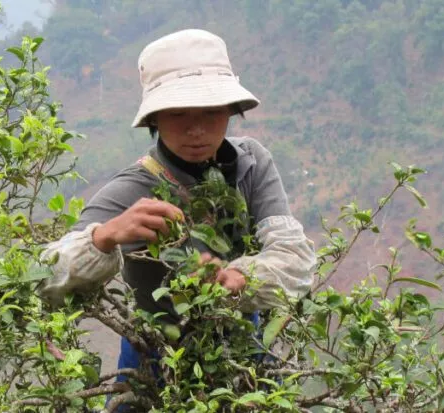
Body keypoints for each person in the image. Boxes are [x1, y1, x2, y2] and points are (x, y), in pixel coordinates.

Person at [37, 28, 317, 408]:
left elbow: (295, 258)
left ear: (231, 111)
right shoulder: (133, 189)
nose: (196, 129)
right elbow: (39, 279)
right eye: (178, 113)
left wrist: (240, 280)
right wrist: (103, 237)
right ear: (155, 117)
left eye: (211, 111)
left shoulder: (251, 164)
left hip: (246, 357)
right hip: (154, 367)